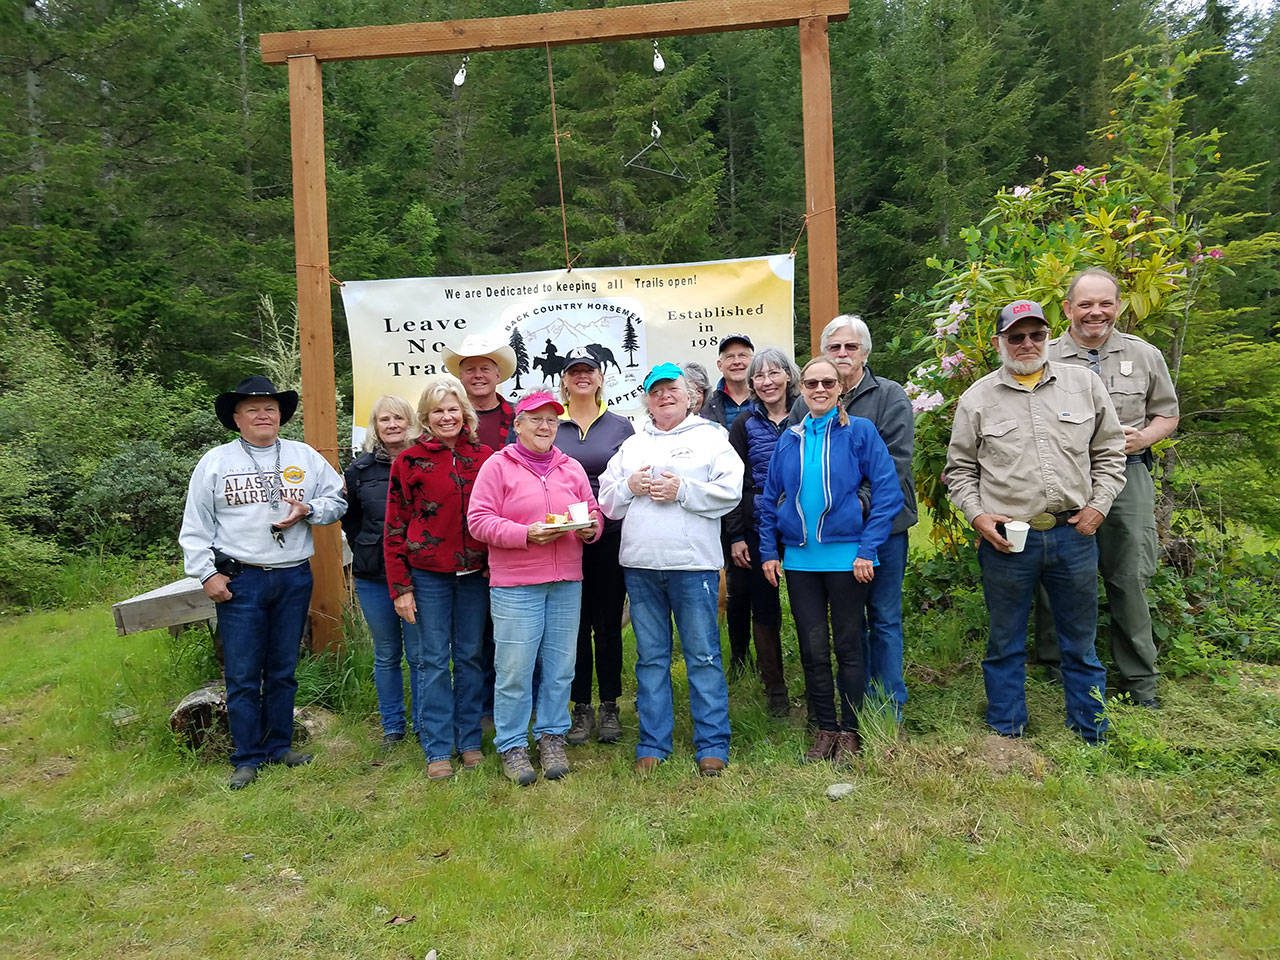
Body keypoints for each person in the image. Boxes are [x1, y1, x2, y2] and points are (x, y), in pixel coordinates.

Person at [945, 300, 1126, 743]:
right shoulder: (977, 399)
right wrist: (977, 516)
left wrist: (1099, 506)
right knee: (1005, 640)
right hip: (1007, 539)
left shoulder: (1083, 385)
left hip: (1073, 533)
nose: (1027, 343)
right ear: (999, 342)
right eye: (1016, 336)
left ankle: (1091, 729)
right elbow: (960, 469)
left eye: (1036, 334)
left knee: (1080, 641)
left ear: (1048, 336)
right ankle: (1005, 730)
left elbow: (1110, 452)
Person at [179, 376, 346, 791]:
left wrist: (309, 509)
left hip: (292, 575)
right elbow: (195, 525)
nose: (262, 415)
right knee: (242, 673)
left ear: (280, 415)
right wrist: (206, 573)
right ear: (236, 419)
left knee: (283, 669)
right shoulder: (215, 462)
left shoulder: (304, 456)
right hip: (241, 579)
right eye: (252, 409)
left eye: (270, 408)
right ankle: (246, 757)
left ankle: (279, 747)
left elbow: (337, 499)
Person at [1034, 268, 1180, 708]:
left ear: (1118, 306)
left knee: (1129, 576)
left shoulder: (1144, 354)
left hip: (1128, 476)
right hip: (1064, 478)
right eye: (1085, 304)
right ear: (1067, 309)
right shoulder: (1045, 354)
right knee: (1055, 574)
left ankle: (1139, 681)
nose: (1095, 312)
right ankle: (1056, 670)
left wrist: (1146, 437)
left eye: (1105, 303)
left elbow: (1167, 414)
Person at [599, 363, 743, 777]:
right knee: (650, 659)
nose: (664, 396)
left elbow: (730, 492)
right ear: (647, 400)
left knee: (703, 656)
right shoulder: (633, 445)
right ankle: (653, 742)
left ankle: (712, 743)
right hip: (641, 566)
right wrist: (629, 487)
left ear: (690, 396)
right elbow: (607, 500)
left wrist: (683, 490)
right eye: (656, 391)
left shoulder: (711, 438)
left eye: (672, 389)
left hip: (693, 566)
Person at [758, 358, 903, 765]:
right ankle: (825, 728)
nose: (819, 389)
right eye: (811, 383)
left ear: (840, 388)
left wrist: (867, 549)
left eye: (827, 382)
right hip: (801, 562)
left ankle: (850, 731)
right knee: (813, 649)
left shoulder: (859, 431)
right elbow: (769, 500)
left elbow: (888, 493)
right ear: (801, 389)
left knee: (849, 646)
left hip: (847, 559)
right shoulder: (791, 437)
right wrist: (769, 552)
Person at [469, 392, 601, 786]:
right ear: (518, 425)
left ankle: (551, 736)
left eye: (551, 420)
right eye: (536, 419)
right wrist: (525, 534)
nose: (545, 426)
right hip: (516, 584)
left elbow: (591, 511)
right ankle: (512, 743)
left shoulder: (570, 467)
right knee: (515, 670)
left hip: (565, 583)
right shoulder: (498, 466)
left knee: (561, 668)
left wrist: (591, 529)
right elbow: (478, 520)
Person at [789, 314, 916, 722]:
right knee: (848, 624)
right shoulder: (804, 403)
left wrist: (853, 504)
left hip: (885, 529)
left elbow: (895, 465)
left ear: (865, 353)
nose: (842, 353)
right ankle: (854, 707)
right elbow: (795, 464)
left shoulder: (889, 396)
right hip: (832, 541)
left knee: (884, 617)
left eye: (851, 347)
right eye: (834, 347)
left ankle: (888, 707)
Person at [383, 375, 493, 781]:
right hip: (428, 576)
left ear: (464, 412)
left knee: (470, 657)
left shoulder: (485, 457)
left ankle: (469, 740)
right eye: (437, 411)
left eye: (452, 409)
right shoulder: (408, 461)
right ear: (425, 418)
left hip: (475, 575)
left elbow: (498, 512)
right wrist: (401, 588)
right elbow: (394, 527)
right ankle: (437, 747)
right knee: (431, 661)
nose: (446, 417)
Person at [556, 348, 635, 746]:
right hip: (562, 539)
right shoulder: (551, 423)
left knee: (606, 624)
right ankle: (580, 707)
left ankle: (609, 705)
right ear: (564, 380)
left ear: (601, 378)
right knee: (573, 625)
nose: (582, 377)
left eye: (589, 370)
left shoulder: (621, 426)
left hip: (610, 537)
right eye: (574, 372)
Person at [443, 333, 518, 720]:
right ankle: (479, 708)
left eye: (485, 368)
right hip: (460, 542)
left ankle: (517, 702)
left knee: (513, 629)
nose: (477, 375)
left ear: (498, 374)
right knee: (472, 635)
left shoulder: (517, 419)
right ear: (460, 375)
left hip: (510, 537)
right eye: (469, 368)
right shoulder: (447, 421)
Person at [724, 346, 801, 716]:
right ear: (752, 383)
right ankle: (775, 689)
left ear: (788, 376)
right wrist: (736, 535)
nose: (767, 381)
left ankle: (816, 678)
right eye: (759, 376)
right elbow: (732, 484)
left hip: (804, 522)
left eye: (774, 373)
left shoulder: (807, 414)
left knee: (807, 603)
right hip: (757, 523)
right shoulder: (744, 423)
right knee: (763, 605)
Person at [342, 394, 420, 747]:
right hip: (374, 575)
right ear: (375, 426)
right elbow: (351, 520)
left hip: (418, 573)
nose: (392, 425)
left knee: (420, 654)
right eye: (384, 419)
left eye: (398, 418)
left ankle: (423, 721)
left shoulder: (423, 462)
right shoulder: (359, 471)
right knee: (387, 652)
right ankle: (392, 725)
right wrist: (368, 546)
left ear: (410, 422)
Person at [699, 333, 754, 429]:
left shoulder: (767, 400)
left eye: (743, 355)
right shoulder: (706, 405)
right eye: (730, 357)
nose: (737, 362)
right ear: (720, 365)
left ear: (753, 362)